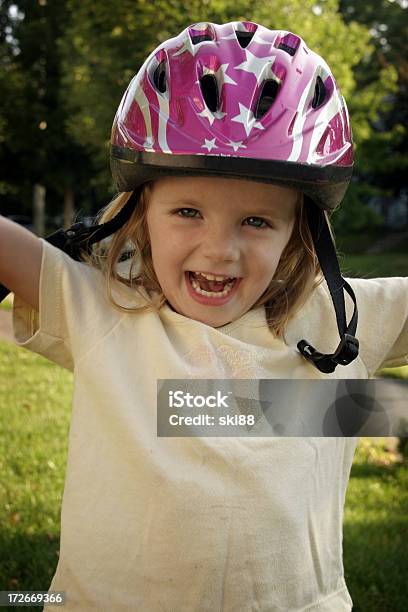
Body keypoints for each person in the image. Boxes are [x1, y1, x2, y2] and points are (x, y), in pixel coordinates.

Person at [0, 20, 407, 612]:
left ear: (300, 233)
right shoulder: (103, 309)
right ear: (139, 214)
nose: (220, 249)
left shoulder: (338, 323)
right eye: (187, 210)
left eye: (257, 221)